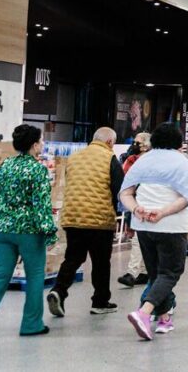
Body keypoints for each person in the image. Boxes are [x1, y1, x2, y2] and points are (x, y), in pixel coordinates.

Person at [0, 125, 56, 340]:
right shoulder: (38, 169)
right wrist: (50, 233)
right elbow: (42, 205)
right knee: (35, 277)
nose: (42, 144)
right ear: (35, 145)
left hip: (1, 229)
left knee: (0, 276)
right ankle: (31, 324)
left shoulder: (6, 165)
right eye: (41, 141)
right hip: (28, 232)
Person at [119, 123, 188, 340]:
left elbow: (125, 193)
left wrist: (136, 209)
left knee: (156, 273)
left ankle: (164, 319)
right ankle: (144, 313)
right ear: (179, 142)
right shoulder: (182, 162)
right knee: (171, 272)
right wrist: (163, 212)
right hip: (171, 227)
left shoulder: (143, 160)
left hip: (143, 225)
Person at [47, 127, 124, 318]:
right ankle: (100, 301)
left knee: (73, 258)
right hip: (99, 220)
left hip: (72, 217)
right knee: (100, 262)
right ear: (109, 142)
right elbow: (119, 190)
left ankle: (59, 290)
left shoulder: (74, 158)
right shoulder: (110, 159)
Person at [118, 132, 152, 288]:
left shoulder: (136, 161)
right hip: (141, 202)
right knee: (141, 238)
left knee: (139, 239)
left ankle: (132, 273)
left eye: (137, 142)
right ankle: (144, 272)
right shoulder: (134, 159)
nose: (134, 144)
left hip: (140, 202)